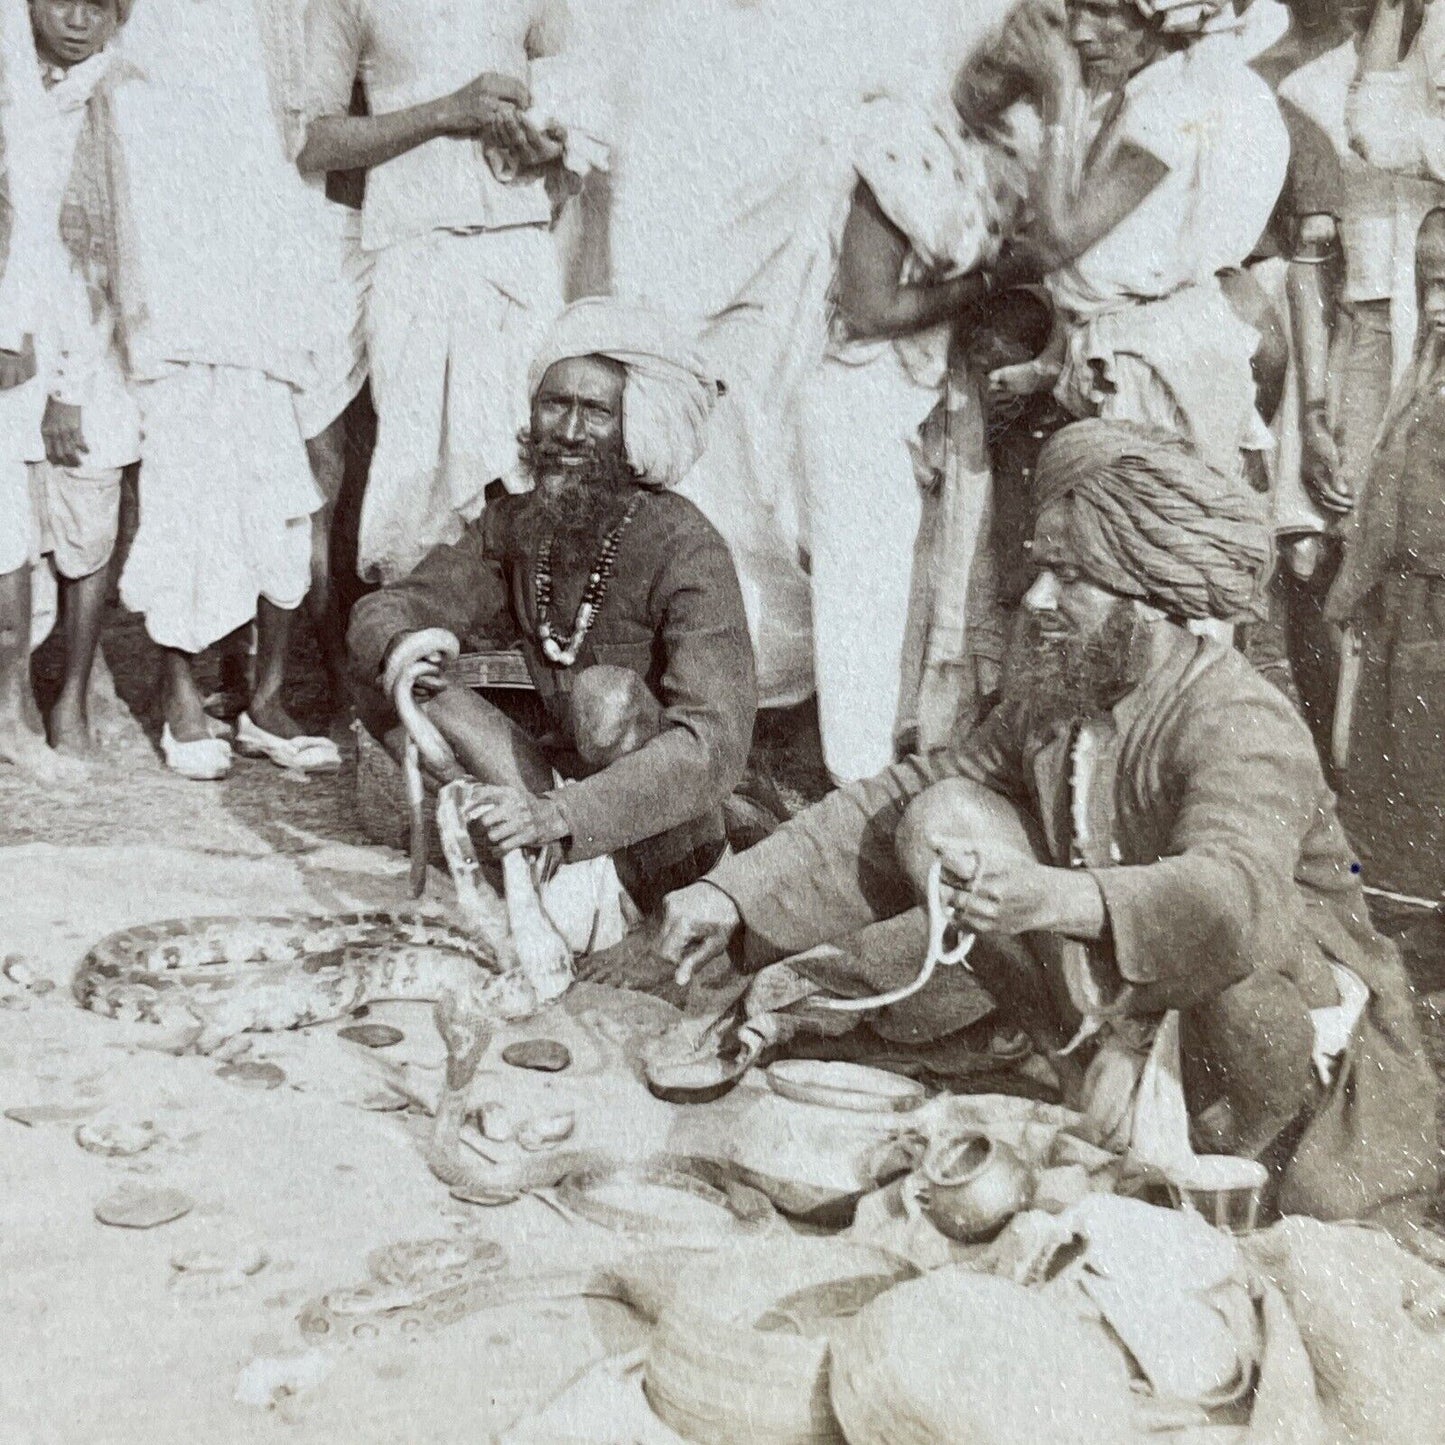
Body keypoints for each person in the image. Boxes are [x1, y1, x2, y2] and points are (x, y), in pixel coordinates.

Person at [653, 418, 1438, 1234]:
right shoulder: (1060, 695)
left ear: (1149, 596)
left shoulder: (1239, 719)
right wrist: (730, 893)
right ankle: (1085, 1071)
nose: (1036, 599)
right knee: (939, 818)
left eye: (1069, 577)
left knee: (1249, 994)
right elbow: (908, 794)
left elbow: (1230, 899)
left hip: (1280, 1031)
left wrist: (1052, 898)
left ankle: (1236, 1170)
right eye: (1040, 570)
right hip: (1138, 1000)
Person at [348, 299, 756, 934]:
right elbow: (395, 604)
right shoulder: (516, 522)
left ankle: (629, 895)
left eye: (595, 411)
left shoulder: (687, 546)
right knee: (418, 682)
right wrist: (404, 643)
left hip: (667, 827)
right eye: (553, 404)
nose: (567, 431)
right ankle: (558, 876)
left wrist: (564, 815)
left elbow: (712, 746)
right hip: (554, 794)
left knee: (606, 698)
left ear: (636, 427)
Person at [297, 0, 607, 587]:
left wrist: (552, 142)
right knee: (421, 482)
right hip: (414, 257)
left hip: (516, 250)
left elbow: (576, 104)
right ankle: (427, 652)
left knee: (533, 458)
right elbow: (317, 142)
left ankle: (532, 646)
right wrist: (448, 111)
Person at [108, 0, 341, 779]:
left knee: (280, 498)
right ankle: (180, 693)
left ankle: (264, 701)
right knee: (180, 499)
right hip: (175, 279)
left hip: (271, 269)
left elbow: (301, 134)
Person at [799, 79, 1024, 782]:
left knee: (923, 584)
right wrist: (992, 283)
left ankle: (906, 756)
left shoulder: (1015, 150)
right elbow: (867, 305)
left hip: (931, 385)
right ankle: (855, 779)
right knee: (862, 592)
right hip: (860, 384)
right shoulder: (903, 139)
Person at [990, 0, 1289, 479]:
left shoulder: (1170, 105)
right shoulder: (1141, 93)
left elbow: (1055, 242)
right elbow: (1093, 273)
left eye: (1103, 11)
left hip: (1149, 376)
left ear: (1161, 22)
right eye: (1074, 9)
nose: (1079, 32)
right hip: (1122, 357)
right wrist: (1048, 365)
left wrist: (1058, 96)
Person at [0, 0, 137, 780]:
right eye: (59, 1)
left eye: (98, 5)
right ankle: (13, 698)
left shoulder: (120, 94)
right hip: (16, 324)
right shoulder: (15, 80)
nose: (78, 20)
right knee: (11, 520)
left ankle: (75, 693)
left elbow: (103, 248)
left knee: (90, 498)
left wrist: (72, 385)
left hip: (92, 331)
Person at [1325, 208, 1445, 893]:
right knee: (1393, 755)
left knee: (1418, 760)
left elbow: (1397, 519)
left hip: (1426, 607)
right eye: (1425, 285)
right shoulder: (1420, 386)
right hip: (1405, 608)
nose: (1434, 306)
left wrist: (1347, 589)